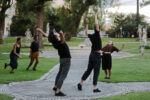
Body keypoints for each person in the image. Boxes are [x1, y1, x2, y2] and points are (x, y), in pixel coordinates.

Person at [37, 28, 71, 96]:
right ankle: (58, 91)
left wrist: (41, 31)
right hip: (66, 59)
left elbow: (48, 36)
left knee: (60, 73)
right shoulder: (60, 42)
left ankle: (55, 87)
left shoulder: (54, 42)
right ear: (56, 36)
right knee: (63, 75)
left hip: (62, 59)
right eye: (55, 33)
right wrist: (61, 34)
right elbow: (63, 39)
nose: (56, 33)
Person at [77, 15, 102, 93]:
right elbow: (96, 24)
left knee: (88, 70)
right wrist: (95, 17)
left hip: (91, 55)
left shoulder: (92, 36)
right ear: (98, 30)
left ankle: (80, 83)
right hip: (97, 56)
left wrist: (87, 24)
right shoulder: (97, 35)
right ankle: (95, 88)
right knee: (96, 72)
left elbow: (86, 33)